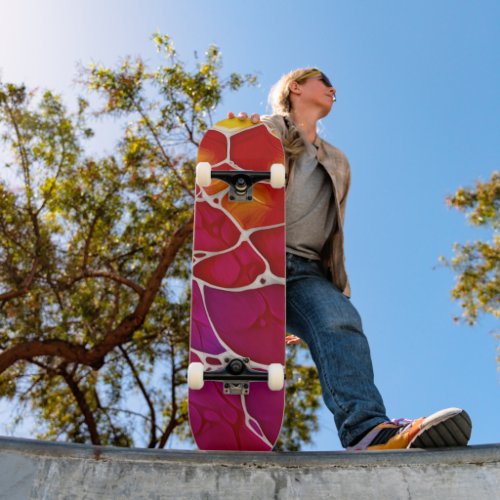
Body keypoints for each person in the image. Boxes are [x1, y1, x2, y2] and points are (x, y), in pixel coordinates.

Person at [228, 67, 472, 450]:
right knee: (247, 356)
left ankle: (367, 432)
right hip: (257, 257)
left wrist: (315, 297)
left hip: (307, 271)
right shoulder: (264, 130)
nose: (332, 89)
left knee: (340, 320)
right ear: (295, 87)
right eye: (323, 82)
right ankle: (234, 423)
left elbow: (331, 229)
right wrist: (240, 141)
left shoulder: (338, 161)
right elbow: (229, 178)